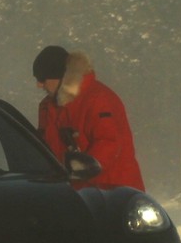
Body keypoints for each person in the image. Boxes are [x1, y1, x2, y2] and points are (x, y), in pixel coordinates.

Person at [32, 44, 146, 191]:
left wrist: (81, 169)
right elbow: (46, 146)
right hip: (75, 192)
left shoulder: (97, 99)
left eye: (42, 78)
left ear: (58, 76)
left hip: (113, 191)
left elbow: (109, 142)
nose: (39, 85)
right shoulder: (47, 106)